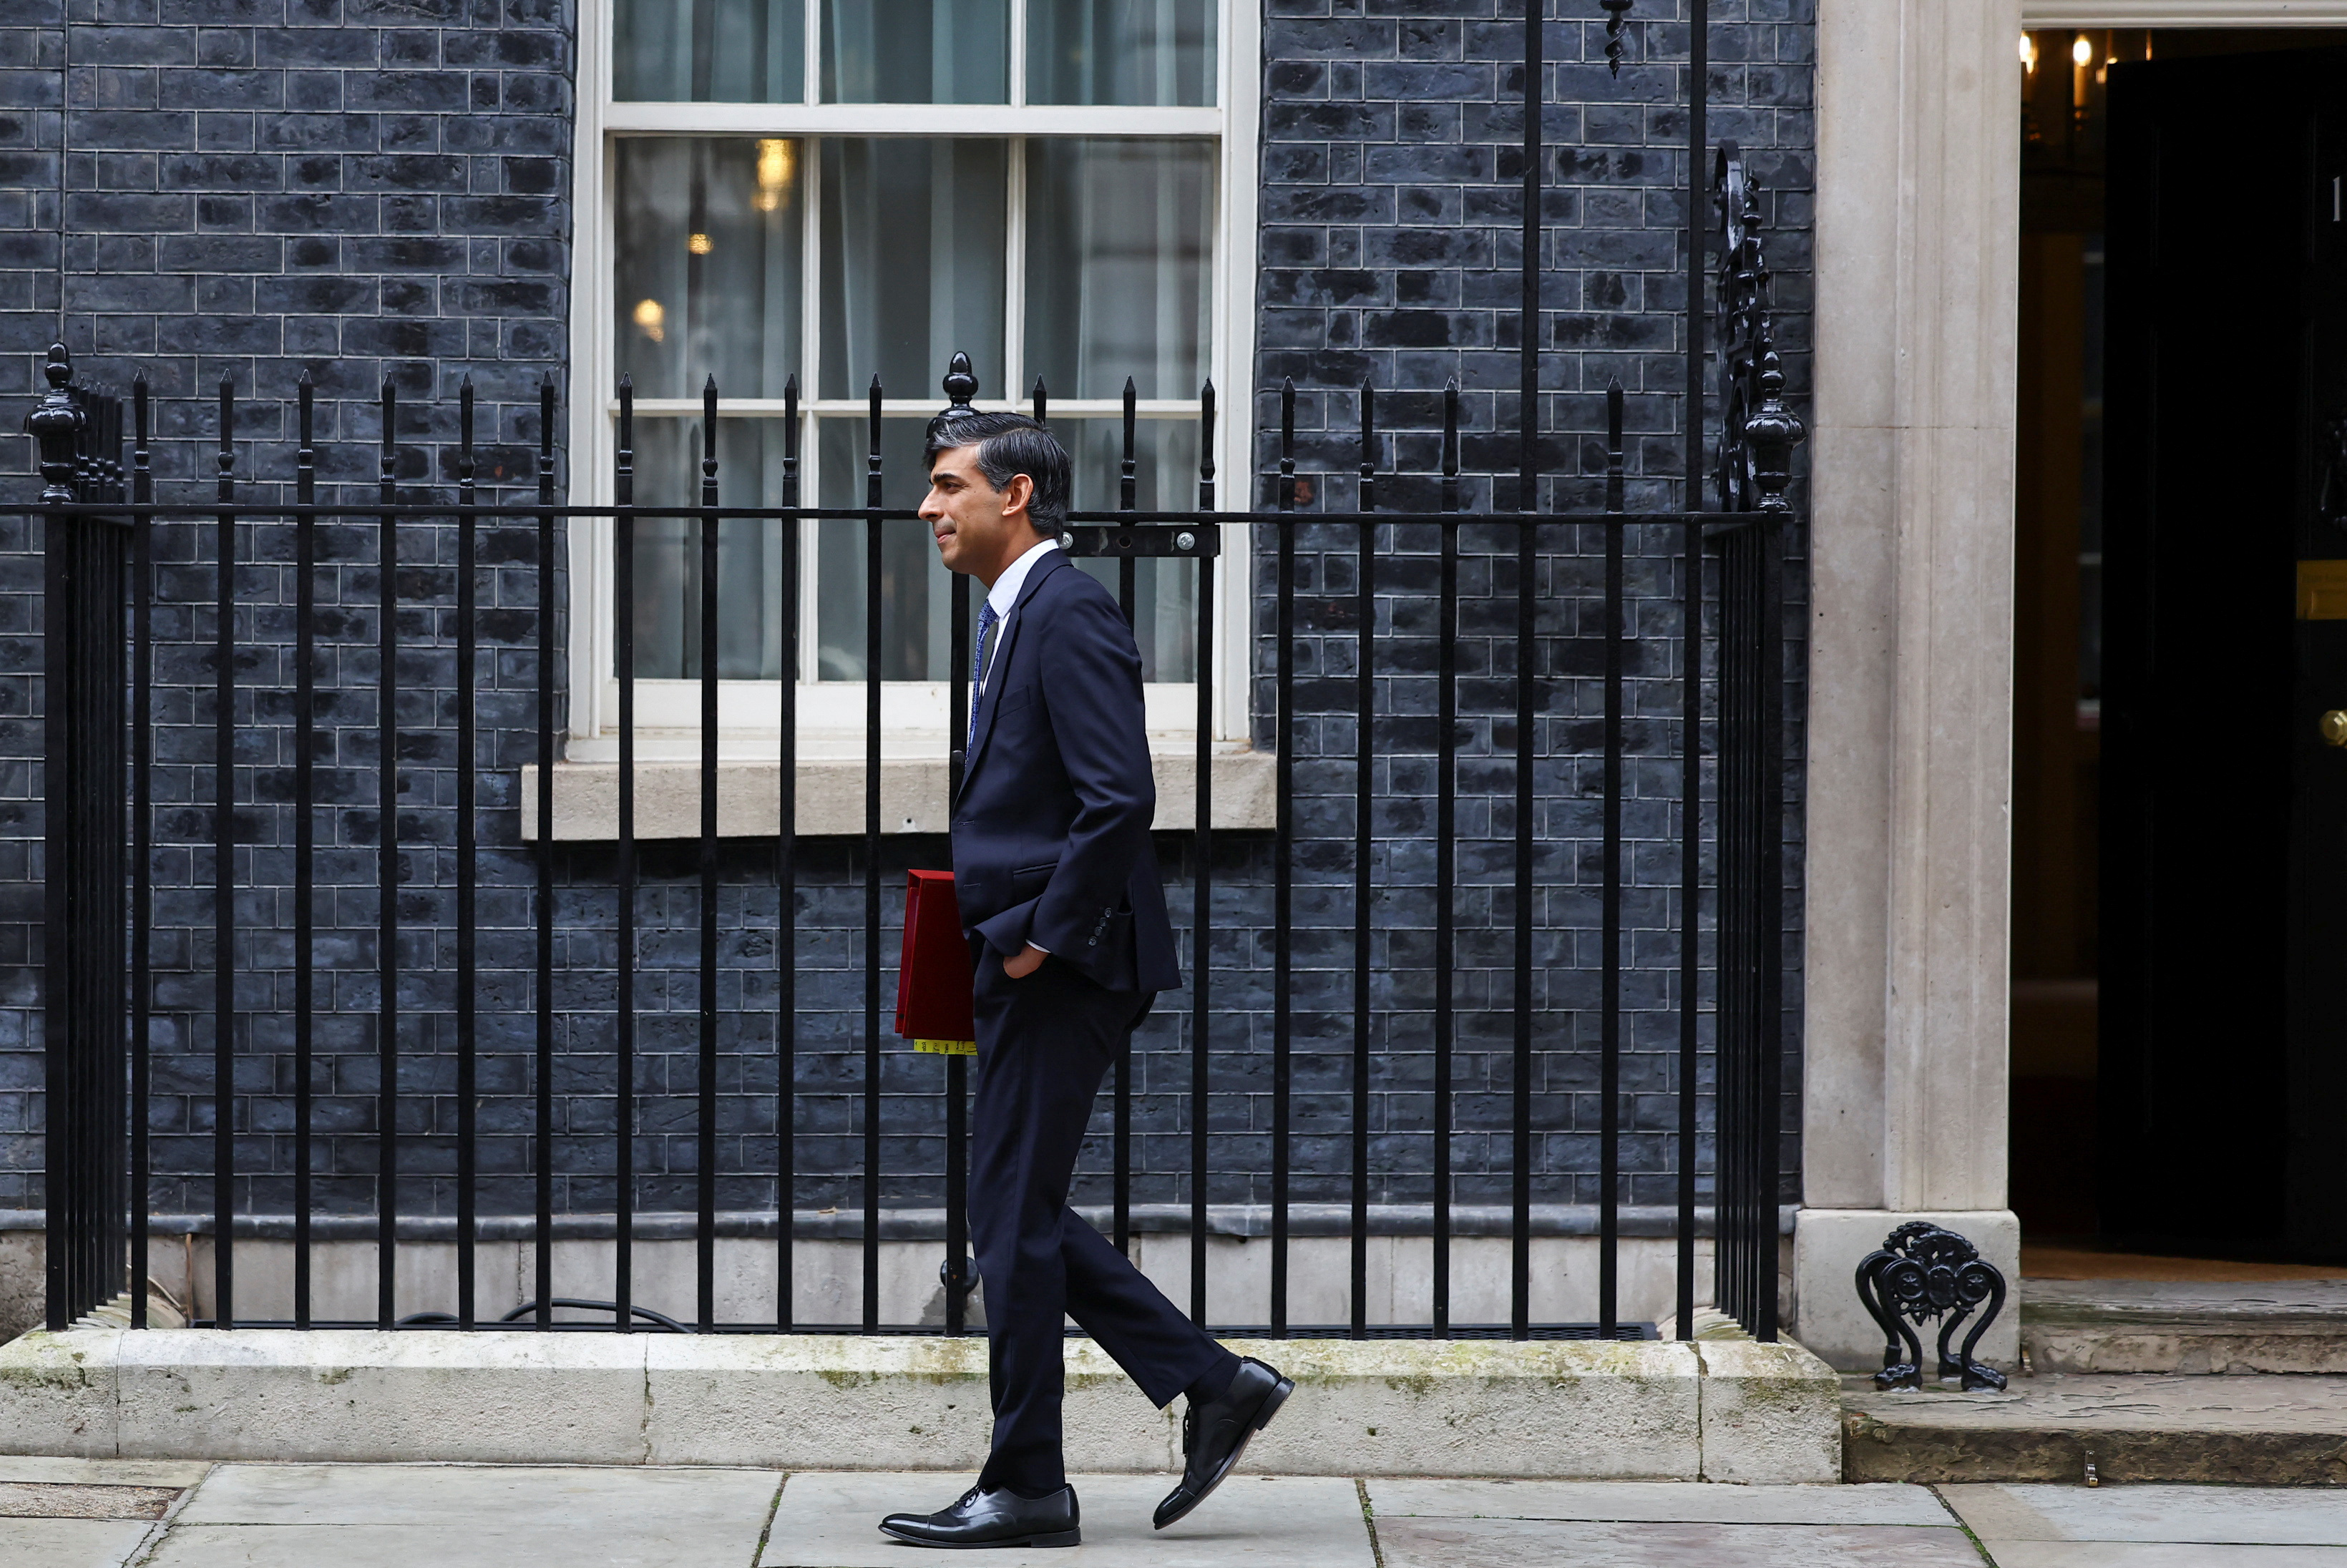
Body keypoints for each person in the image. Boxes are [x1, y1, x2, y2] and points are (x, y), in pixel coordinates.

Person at [879, 409, 1291, 1550]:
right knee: (1014, 1214)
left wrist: (1036, 939)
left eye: (948, 486)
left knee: (1010, 1218)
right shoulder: (1015, 619)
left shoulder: (1068, 615)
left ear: (1013, 497)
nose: (928, 509)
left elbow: (1119, 800)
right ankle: (1207, 1386)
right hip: (1032, 954)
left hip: (1065, 963)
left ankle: (1032, 1482)